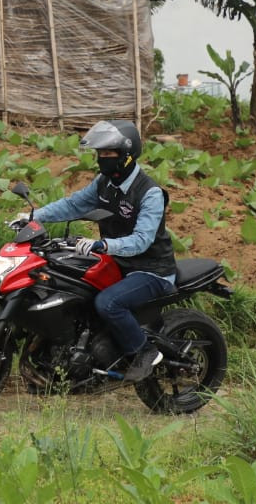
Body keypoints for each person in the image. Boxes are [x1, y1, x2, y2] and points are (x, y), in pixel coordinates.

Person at [26, 119, 177, 381]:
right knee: (73, 283)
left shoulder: (150, 193)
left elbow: (141, 240)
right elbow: (73, 205)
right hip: (118, 263)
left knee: (108, 303)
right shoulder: (104, 182)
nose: (102, 159)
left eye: (109, 153)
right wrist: (33, 216)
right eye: (100, 153)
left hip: (152, 270)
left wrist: (104, 245)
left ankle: (145, 352)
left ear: (127, 156)